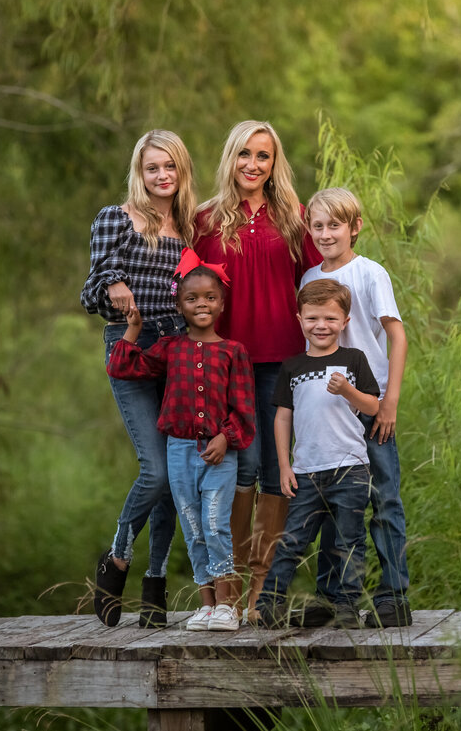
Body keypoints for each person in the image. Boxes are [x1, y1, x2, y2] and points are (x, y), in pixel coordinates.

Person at [193, 120, 321, 622]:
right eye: (244, 154)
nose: (252, 164)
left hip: (282, 364)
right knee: (235, 472)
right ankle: (227, 588)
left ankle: (262, 595)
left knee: (275, 472)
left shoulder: (295, 216)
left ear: (274, 163)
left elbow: (317, 280)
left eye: (263, 156)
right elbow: (188, 293)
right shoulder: (204, 221)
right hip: (227, 366)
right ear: (231, 157)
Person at [80, 130, 197, 628]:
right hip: (130, 345)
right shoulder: (117, 218)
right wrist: (116, 285)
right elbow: (91, 292)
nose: (162, 176)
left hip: (176, 351)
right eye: (152, 167)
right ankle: (117, 558)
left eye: (170, 166)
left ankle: (155, 587)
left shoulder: (189, 229)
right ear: (139, 171)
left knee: (175, 479)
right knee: (156, 469)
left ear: (182, 171)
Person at [106, 252, 256, 632]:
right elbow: (122, 367)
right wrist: (133, 329)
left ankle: (227, 605)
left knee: (214, 524)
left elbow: (244, 410)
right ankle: (207, 605)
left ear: (221, 303)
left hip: (218, 454)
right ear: (179, 305)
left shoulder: (233, 352)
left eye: (209, 297)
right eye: (192, 299)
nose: (201, 304)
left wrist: (226, 437)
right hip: (178, 450)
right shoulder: (172, 348)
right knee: (192, 527)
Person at [300, 188, 412, 627]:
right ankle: (334, 597)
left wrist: (390, 403)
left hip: (370, 407)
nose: (326, 234)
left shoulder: (369, 274)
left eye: (335, 225)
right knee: (333, 503)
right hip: (327, 411)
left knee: (383, 498)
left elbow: (397, 336)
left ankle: (393, 596)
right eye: (319, 226)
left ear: (355, 227)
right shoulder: (309, 278)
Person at [255, 278, 379, 629]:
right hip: (306, 470)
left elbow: (371, 405)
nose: (320, 326)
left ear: (345, 322)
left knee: (350, 540)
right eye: (312, 319)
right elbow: (282, 416)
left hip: (350, 468)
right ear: (300, 320)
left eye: (329, 319)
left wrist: (348, 390)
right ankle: (268, 604)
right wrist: (283, 465)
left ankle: (347, 607)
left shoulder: (353, 359)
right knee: (293, 540)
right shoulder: (292, 366)